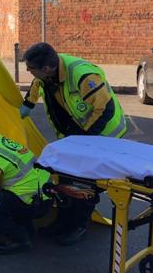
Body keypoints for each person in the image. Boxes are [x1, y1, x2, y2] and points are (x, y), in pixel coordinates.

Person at [20, 42, 126, 245]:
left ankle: (78, 225)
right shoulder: (47, 74)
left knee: (84, 182)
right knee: (65, 179)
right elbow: (37, 85)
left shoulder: (83, 76)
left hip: (101, 135)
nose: (28, 72)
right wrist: (28, 105)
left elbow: (106, 109)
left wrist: (83, 140)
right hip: (74, 136)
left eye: (30, 69)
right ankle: (62, 222)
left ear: (46, 68)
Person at [0, 122, 51, 254]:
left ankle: (19, 238)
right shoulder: (5, 141)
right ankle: (26, 226)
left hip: (32, 203)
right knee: (10, 193)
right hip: (45, 196)